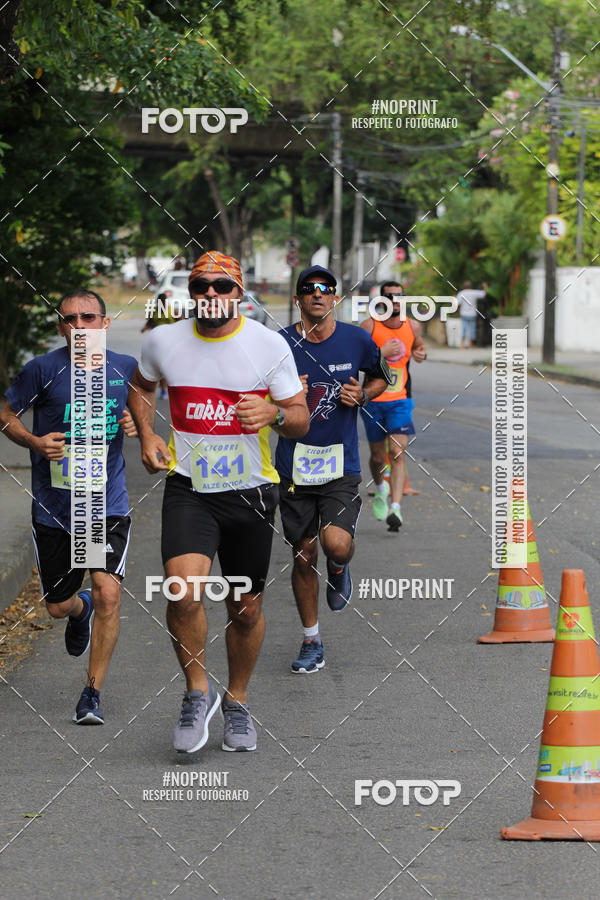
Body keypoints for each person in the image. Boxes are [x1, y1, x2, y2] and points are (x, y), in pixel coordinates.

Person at [128, 251, 308, 753]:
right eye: (202, 285)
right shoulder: (163, 340)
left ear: (240, 291)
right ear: (192, 291)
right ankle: (196, 692)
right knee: (183, 592)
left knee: (245, 608)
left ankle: (238, 701)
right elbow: (141, 388)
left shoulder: (267, 345)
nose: (211, 295)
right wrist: (147, 435)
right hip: (190, 488)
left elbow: (301, 416)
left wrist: (272, 412)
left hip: (251, 492)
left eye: (221, 287)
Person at [0, 290, 137, 724]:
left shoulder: (124, 368)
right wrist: (35, 442)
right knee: (57, 608)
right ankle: (79, 609)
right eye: (69, 319)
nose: (79, 325)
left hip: (103, 505)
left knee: (109, 590)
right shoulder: (42, 369)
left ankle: (91, 693)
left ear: (105, 323)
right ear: (61, 327)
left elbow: (142, 412)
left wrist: (136, 424)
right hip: (56, 506)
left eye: (87, 317)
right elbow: (6, 414)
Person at [276, 265, 391, 674]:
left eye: (326, 289)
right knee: (304, 555)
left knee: (335, 545)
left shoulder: (357, 340)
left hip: (341, 464)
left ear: (335, 298)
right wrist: (286, 400)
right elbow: (254, 395)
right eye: (309, 290)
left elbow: (382, 378)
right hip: (293, 469)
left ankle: (340, 568)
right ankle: (312, 640)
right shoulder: (281, 344)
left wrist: (363, 393)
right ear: (298, 300)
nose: (318, 295)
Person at [360, 282, 426, 532]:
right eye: (390, 297)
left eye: (399, 297)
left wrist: (421, 354)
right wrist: (380, 351)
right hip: (373, 402)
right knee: (378, 457)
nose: (395, 301)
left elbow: (419, 347)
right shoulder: (369, 326)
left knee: (397, 452)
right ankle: (380, 489)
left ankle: (396, 508)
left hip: (400, 401)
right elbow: (355, 357)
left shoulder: (413, 325)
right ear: (382, 300)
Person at [457, 280, 487, 349]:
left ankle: (462, 345)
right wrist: (485, 287)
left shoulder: (461, 293)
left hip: (464, 313)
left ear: (464, 286)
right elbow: (484, 294)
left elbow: (458, 303)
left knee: (464, 328)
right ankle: (471, 345)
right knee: (472, 329)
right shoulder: (474, 292)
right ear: (471, 286)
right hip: (472, 314)